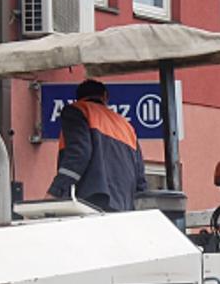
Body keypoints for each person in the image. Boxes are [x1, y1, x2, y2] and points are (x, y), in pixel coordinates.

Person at [47, 78, 147, 211]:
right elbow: (140, 178)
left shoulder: (78, 110)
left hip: (92, 203)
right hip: (124, 209)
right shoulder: (127, 126)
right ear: (105, 97)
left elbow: (79, 154)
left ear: (78, 98)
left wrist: (56, 192)